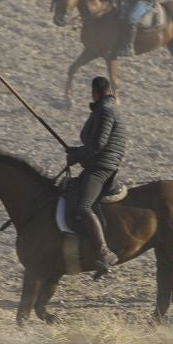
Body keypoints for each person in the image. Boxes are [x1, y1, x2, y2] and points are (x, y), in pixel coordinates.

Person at [65, 76, 126, 276]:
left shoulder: (105, 112)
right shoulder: (108, 109)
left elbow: (99, 144)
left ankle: (104, 252)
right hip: (98, 164)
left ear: (95, 92)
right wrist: (77, 152)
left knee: (83, 207)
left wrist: (78, 155)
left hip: (101, 168)